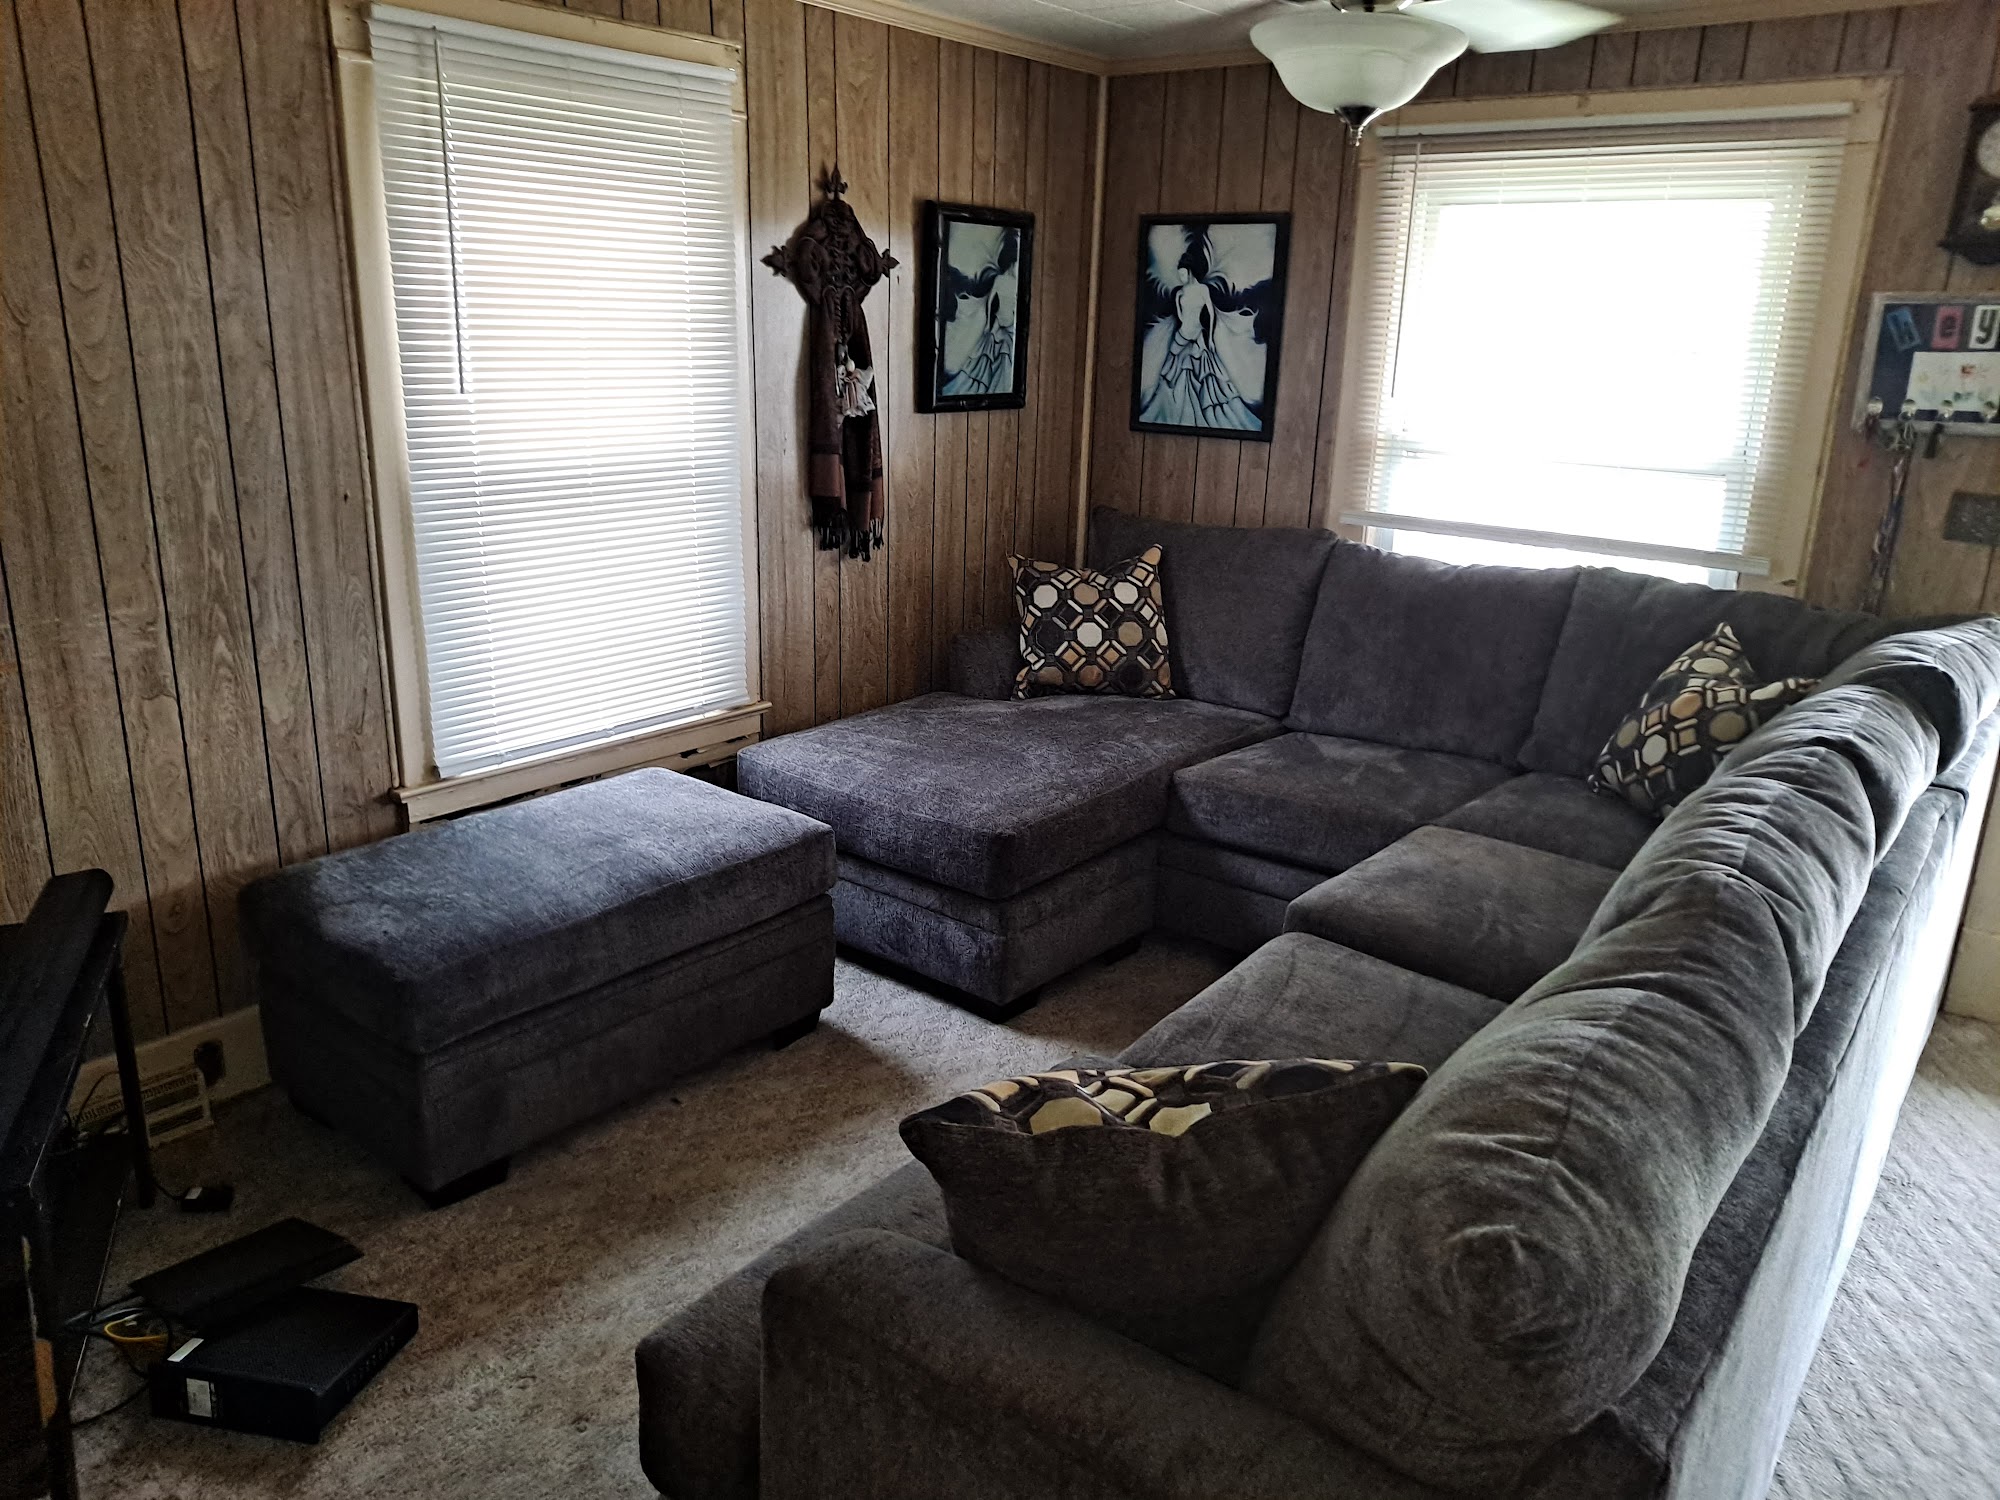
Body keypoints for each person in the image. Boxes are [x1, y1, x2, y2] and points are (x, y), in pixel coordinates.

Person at [1140, 238, 1259, 430]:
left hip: (1198, 334)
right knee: (1172, 371)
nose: (1181, 278)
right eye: (1179, 274)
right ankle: (1172, 410)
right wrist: (1187, 328)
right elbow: (1181, 316)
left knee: (1205, 375)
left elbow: (1210, 313)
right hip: (1183, 333)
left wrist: (1208, 336)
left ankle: (1197, 414)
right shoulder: (1180, 293)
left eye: (1183, 273)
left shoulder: (1203, 290)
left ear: (1189, 272)